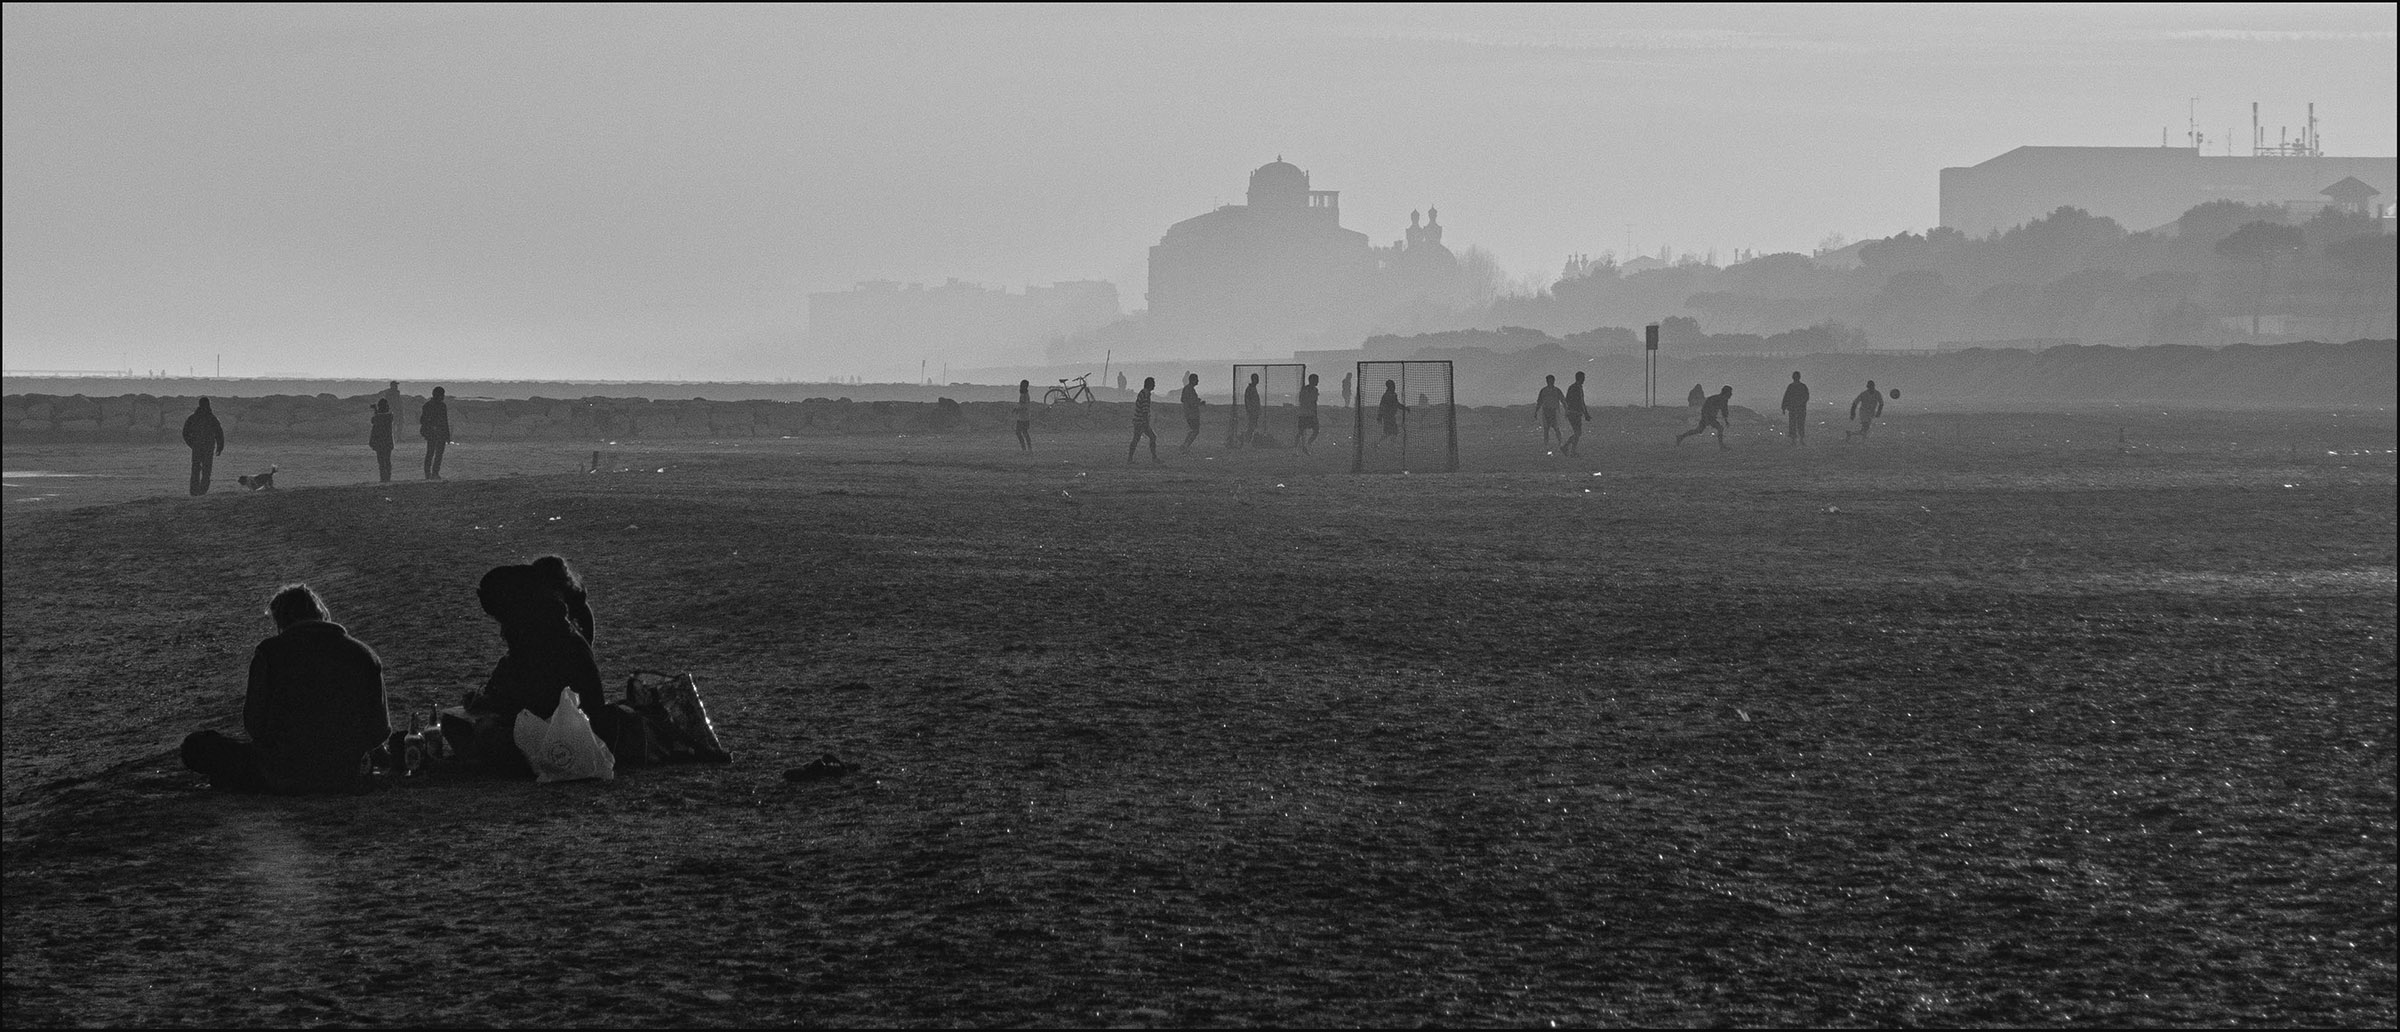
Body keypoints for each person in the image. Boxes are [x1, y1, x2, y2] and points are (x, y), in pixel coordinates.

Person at [180, 584, 391, 794]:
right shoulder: (365, 655)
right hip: (346, 774)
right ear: (321, 614)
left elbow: (255, 725)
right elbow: (380, 730)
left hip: (282, 774)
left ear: (281, 619)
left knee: (197, 745)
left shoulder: (269, 654)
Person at [182, 397, 226, 496]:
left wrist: (192, 444)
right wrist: (220, 447)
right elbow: (219, 433)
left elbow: (185, 433)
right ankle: (202, 491)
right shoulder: (212, 418)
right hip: (208, 447)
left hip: (197, 447)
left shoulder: (193, 418)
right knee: (207, 470)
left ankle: (194, 491)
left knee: (195, 469)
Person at [419, 386, 452, 480]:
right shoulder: (442, 406)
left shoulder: (428, 405)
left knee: (430, 453)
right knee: (437, 454)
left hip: (432, 433)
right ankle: (434, 473)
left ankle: (428, 473)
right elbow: (445, 422)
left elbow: (422, 420)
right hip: (438, 433)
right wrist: (447, 436)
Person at [1128, 376, 1160, 464]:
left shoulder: (1143, 393)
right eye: (1153, 384)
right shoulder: (1146, 394)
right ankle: (1153, 457)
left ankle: (1130, 459)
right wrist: (1146, 423)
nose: (1155, 385)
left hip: (1139, 420)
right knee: (1149, 437)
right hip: (1141, 421)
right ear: (1149, 385)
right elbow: (1145, 410)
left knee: (1137, 439)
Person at [1563, 370, 1592, 455]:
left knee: (1577, 433)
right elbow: (1581, 402)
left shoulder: (1572, 387)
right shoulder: (1578, 388)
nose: (1584, 380)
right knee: (1578, 433)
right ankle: (1568, 448)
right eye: (1583, 378)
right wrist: (1586, 413)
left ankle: (1570, 449)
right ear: (1580, 378)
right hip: (1575, 413)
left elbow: (1567, 400)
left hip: (1571, 412)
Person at [1534, 375, 1566, 449]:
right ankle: (1546, 444)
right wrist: (1536, 411)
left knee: (1556, 428)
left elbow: (1563, 400)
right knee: (1546, 429)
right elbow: (1539, 402)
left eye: (1551, 380)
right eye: (1549, 380)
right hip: (1546, 411)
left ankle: (1560, 442)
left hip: (1554, 411)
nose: (1550, 381)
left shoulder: (1557, 390)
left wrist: (1566, 410)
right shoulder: (1543, 391)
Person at [1178, 372, 1207, 452]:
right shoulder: (1190, 389)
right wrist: (1199, 403)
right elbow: (1192, 403)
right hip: (1192, 414)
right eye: (1196, 379)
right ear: (1193, 380)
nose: (1198, 381)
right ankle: (1185, 446)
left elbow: (1183, 399)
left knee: (1192, 430)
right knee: (1195, 431)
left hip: (1189, 413)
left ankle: (1185, 445)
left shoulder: (1187, 389)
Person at [1780, 371, 1811, 445]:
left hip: (1794, 408)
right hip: (1799, 409)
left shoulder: (1791, 386)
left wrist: (1784, 407)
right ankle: (1800, 440)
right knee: (1800, 424)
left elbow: (1786, 397)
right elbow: (1806, 397)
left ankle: (1795, 440)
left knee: (1793, 424)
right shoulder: (1802, 386)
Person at [368, 399, 396, 482]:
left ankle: (383, 478)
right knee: (387, 460)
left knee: (381, 461)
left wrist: (375, 410)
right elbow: (378, 418)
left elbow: (375, 420)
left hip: (380, 442)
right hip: (387, 442)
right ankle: (387, 477)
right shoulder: (389, 416)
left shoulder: (381, 417)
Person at [1294, 373, 1322, 453]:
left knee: (1316, 430)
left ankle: (1307, 444)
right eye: (1316, 380)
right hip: (1304, 414)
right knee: (1300, 432)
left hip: (1311, 414)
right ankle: (1296, 449)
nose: (1318, 382)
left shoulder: (1315, 390)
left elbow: (1314, 402)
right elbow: (1303, 400)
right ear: (1312, 380)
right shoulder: (1304, 390)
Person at [1374, 379, 1407, 444]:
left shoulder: (1393, 394)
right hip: (1388, 416)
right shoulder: (1387, 395)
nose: (1394, 387)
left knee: (1391, 432)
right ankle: (1379, 443)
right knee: (1390, 432)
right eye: (1393, 385)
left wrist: (1404, 408)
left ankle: (1380, 443)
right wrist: (1379, 416)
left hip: (1390, 416)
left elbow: (1396, 404)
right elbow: (1382, 406)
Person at [1242, 372, 1263, 445]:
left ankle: (1249, 441)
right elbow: (1247, 400)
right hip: (1252, 412)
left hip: (1255, 411)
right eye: (1256, 379)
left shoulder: (1254, 388)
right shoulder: (1249, 389)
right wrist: (1250, 410)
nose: (1257, 380)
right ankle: (1246, 441)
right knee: (1251, 427)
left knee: (1253, 426)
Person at [1014, 380, 1033, 451]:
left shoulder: (1025, 395)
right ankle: (1027, 448)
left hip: (1023, 417)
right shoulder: (1023, 394)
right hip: (1023, 417)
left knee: (1020, 432)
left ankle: (1025, 448)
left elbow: (1024, 406)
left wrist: (1018, 409)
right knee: (1023, 432)